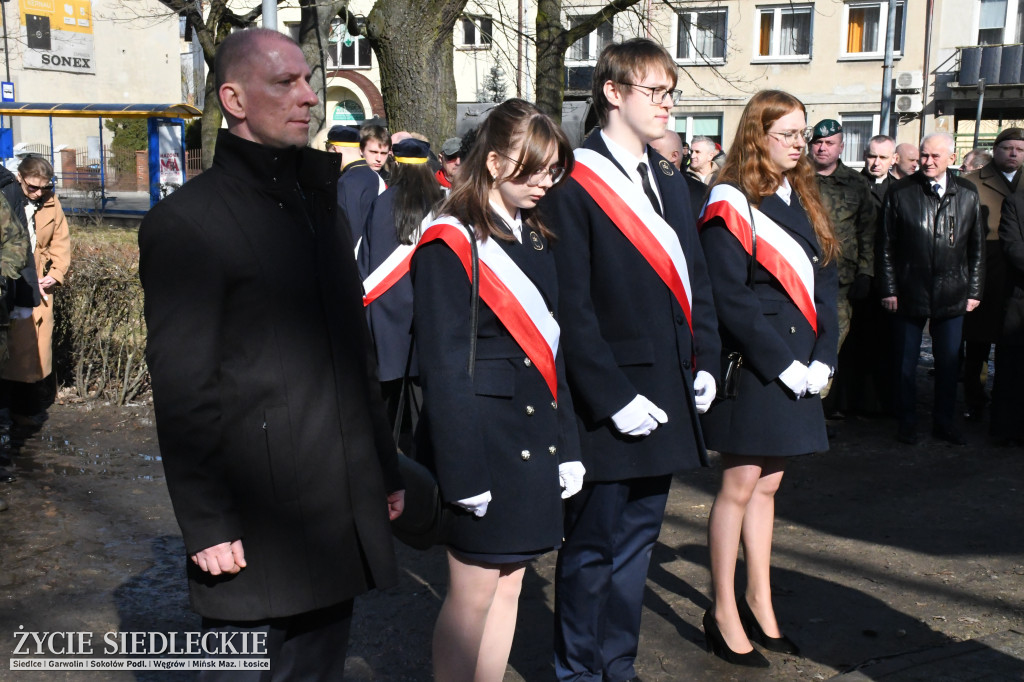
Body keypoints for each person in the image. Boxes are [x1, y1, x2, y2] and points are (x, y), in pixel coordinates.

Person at [138, 28, 404, 680]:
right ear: (232, 97)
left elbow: (354, 358)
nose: (309, 96)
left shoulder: (321, 208)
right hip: (254, 529)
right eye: (285, 82)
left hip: (332, 511)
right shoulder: (187, 224)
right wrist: (206, 523)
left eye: (308, 80)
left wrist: (384, 468)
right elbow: (184, 390)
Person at [540, 38, 721, 682]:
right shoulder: (573, 179)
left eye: (672, 93)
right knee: (592, 548)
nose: (668, 105)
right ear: (612, 93)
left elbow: (695, 277)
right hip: (608, 401)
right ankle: (579, 671)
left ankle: (618, 666)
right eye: (655, 92)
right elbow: (572, 305)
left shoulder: (669, 178)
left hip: (668, 391)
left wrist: (704, 360)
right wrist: (612, 397)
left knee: (639, 546)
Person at [411, 98, 583, 682]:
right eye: (531, 168)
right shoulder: (449, 239)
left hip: (533, 436)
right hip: (483, 442)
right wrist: (462, 473)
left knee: (511, 586)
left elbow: (552, 352)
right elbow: (444, 368)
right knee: (471, 596)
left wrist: (571, 445)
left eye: (553, 169)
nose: (543, 182)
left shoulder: (533, 236)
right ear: (492, 160)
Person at [698, 90, 839, 668]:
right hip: (757, 367)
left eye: (802, 134)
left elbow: (827, 281)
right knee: (738, 486)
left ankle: (760, 597)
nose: (799, 144)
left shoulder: (803, 196)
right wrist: (783, 363)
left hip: (804, 364)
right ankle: (723, 608)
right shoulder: (730, 200)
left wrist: (825, 356)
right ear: (757, 136)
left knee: (770, 487)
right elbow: (728, 295)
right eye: (787, 134)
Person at [878, 133, 985, 445]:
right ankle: (907, 422)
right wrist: (889, 289)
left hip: (953, 292)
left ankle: (944, 423)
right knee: (905, 365)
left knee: (949, 366)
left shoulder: (967, 193)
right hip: (909, 291)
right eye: (924, 155)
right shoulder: (900, 192)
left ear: (952, 158)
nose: (928, 161)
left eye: (936, 156)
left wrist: (974, 291)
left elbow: (976, 247)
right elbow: (885, 245)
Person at [362, 137, 443, 424]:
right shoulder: (442, 204)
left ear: (395, 162)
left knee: (387, 419)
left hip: (386, 316)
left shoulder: (381, 204)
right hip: (430, 317)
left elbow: (366, 265)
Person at [808, 119, 875, 407]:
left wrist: (865, 272)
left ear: (841, 147)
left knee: (830, 344)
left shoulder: (857, 183)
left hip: (840, 281)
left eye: (829, 143)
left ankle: (818, 408)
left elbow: (868, 230)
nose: (822, 148)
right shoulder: (794, 177)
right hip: (798, 276)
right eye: (818, 142)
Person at [0, 155, 69, 430]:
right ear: (20, 178)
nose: (39, 193)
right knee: (11, 351)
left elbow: (61, 242)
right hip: (11, 280)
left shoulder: (51, 202)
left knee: (32, 353)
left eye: (45, 187)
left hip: (37, 283)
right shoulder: (7, 197)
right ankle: (14, 411)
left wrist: (55, 275)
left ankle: (24, 409)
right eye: (33, 187)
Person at [960, 128, 1024, 422]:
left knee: (1014, 342)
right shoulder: (972, 182)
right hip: (987, 270)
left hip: (1019, 276)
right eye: (1007, 148)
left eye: (1019, 149)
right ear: (995, 150)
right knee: (978, 341)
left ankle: (1009, 401)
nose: (1013, 154)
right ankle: (975, 397)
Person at [994, 189, 1024, 443]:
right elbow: (1013, 247)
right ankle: (1008, 431)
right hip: (1020, 301)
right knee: (1013, 372)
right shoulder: (1016, 201)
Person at [336, 124, 387, 265]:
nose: (378, 159)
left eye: (383, 154)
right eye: (373, 152)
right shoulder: (370, 178)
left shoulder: (346, 182)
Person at [650, 130, 708, 221]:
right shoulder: (643, 185)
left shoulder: (702, 193)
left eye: (654, 152)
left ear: (674, 156)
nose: (647, 156)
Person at [862, 135, 897, 202]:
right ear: (864, 155)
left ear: (893, 159)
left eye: (883, 157)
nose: (876, 163)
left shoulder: (900, 188)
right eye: (872, 156)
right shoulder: (849, 185)